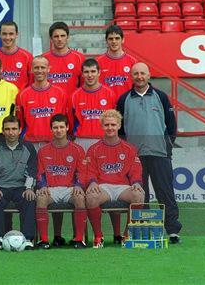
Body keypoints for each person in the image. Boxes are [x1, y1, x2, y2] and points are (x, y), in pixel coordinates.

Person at [117, 62, 182, 243]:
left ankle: (173, 230)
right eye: (136, 73)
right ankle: (143, 228)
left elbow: (171, 125)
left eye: (142, 73)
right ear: (131, 76)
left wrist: (167, 146)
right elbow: (120, 129)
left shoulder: (161, 97)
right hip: (135, 157)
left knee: (165, 192)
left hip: (160, 154)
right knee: (140, 193)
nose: (139, 76)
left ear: (149, 75)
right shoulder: (123, 100)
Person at [70, 58, 121, 243]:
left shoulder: (109, 94)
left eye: (93, 71)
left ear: (99, 73)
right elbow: (71, 123)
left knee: (110, 183)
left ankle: (116, 234)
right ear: (82, 74)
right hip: (83, 143)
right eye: (86, 72)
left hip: (104, 143)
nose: (90, 75)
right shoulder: (75, 95)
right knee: (83, 189)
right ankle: (85, 235)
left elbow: (113, 121)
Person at [85, 109, 144, 248]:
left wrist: (136, 182)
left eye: (113, 124)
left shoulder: (129, 148)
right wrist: (92, 182)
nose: (110, 128)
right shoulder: (93, 149)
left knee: (139, 195)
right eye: (106, 125)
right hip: (103, 187)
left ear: (118, 125)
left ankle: (127, 235)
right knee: (91, 197)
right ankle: (99, 236)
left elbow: (135, 170)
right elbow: (90, 170)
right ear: (102, 126)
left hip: (122, 187)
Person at [35, 114, 88, 249]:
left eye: (61, 127)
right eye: (55, 127)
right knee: (41, 197)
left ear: (67, 128)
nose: (58, 130)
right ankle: (45, 240)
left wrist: (79, 185)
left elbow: (82, 171)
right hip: (51, 188)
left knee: (80, 197)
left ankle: (79, 239)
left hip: (70, 188)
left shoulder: (77, 149)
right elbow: (39, 173)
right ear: (51, 129)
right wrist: (42, 185)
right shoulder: (42, 151)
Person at [0, 115, 36, 250]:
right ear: (2, 131)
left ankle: (27, 239)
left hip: (21, 187)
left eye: (14, 129)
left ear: (20, 130)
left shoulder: (29, 148)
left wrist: (29, 188)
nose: (11, 132)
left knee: (30, 199)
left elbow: (32, 170)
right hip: (1, 187)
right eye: (7, 129)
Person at [16, 56, 68, 150]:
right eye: (36, 67)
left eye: (43, 67)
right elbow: (20, 122)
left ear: (48, 69)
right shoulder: (22, 95)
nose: (39, 70)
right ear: (31, 69)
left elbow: (65, 119)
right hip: (30, 143)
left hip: (54, 142)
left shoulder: (60, 93)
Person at [42, 21, 85, 96]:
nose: (59, 39)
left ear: (68, 37)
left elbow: (84, 85)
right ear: (51, 39)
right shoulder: (43, 59)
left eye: (63, 36)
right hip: (50, 104)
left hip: (72, 104)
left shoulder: (79, 58)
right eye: (56, 36)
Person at [0, 21, 33, 90]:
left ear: (17, 34)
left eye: (11, 34)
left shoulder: (27, 57)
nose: (7, 37)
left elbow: (32, 83)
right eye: (4, 34)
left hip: (19, 99)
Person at [96, 25, 137, 98]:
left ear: (123, 40)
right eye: (111, 39)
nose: (114, 41)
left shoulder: (132, 61)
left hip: (126, 104)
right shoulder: (98, 62)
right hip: (106, 104)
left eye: (117, 38)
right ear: (106, 41)